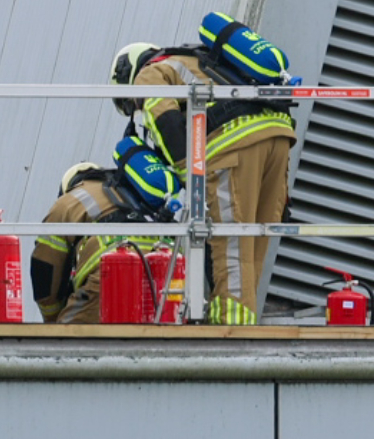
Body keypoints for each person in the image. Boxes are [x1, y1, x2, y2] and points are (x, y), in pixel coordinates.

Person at [111, 24, 295, 324]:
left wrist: (187, 167)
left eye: (130, 101)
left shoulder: (151, 71)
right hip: (278, 133)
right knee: (252, 248)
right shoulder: (199, 60)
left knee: (231, 248)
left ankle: (231, 337)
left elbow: (159, 109)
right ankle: (244, 323)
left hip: (233, 146)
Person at [31, 161, 167, 324]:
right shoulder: (130, 192)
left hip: (110, 279)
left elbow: (45, 268)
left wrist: (52, 318)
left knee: (62, 339)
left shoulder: (67, 202)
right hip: (164, 278)